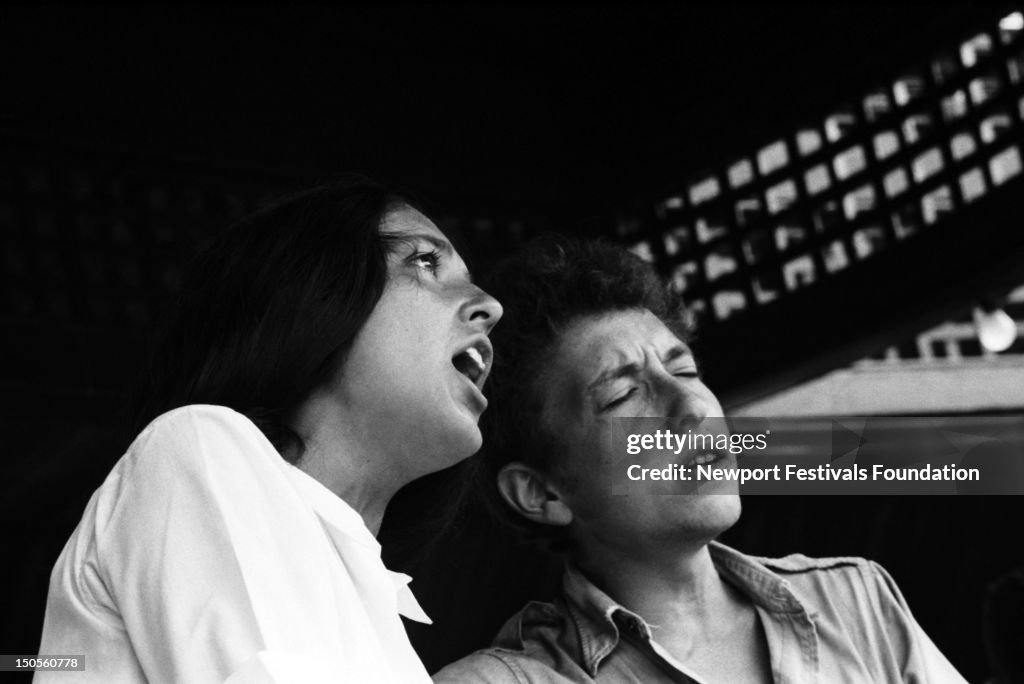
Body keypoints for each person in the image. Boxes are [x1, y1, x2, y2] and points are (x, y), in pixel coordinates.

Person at [433, 237, 965, 683]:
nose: (691, 407)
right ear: (542, 493)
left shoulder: (857, 600)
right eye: (623, 397)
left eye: (684, 370)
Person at [36, 178, 502, 683]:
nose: (490, 307)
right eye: (426, 263)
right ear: (314, 296)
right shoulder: (201, 445)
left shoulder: (379, 615)